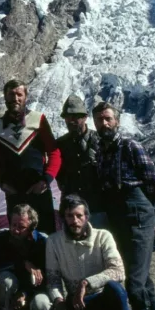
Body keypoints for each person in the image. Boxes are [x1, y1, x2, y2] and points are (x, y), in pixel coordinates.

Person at [93, 102, 155, 310]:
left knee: (134, 284)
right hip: (117, 218)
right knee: (143, 279)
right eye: (99, 120)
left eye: (107, 119)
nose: (103, 124)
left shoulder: (130, 146)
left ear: (117, 120)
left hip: (137, 214)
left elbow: (153, 182)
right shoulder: (101, 151)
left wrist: (142, 210)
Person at [29, 195, 133, 310]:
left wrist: (86, 283)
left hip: (103, 298)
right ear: (63, 218)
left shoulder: (103, 236)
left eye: (79, 216)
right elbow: (53, 279)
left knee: (116, 289)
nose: (74, 221)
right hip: (79, 304)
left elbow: (118, 271)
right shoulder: (54, 241)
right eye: (69, 216)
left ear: (87, 216)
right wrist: (58, 300)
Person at [0, 80, 61, 234]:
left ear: (25, 97)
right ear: (5, 97)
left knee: (46, 236)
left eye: (19, 94)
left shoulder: (38, 119)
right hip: (14, 195)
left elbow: (54, 152)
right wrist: (2, 182)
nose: (15, 98)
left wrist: (46, 180)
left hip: (39, 192)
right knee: (17, 238)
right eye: (11, 94)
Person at [0, 203, 47, 310]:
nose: (15, 230)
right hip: (11, 288)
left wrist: (25, 293)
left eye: (21, 227)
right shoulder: (2, 238)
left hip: (33, 291)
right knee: (5, 280)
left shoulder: (42, 242)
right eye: (13, 225)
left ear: (32, 227)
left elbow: (47, 277)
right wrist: (23, 263)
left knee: (42, 306)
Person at [55, 95, 103, 224]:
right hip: (70, 208)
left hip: (98, 206)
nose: (71, 120)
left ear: (85, 117)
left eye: (76, 117)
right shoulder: (60, 144)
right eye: (68, 117)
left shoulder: (100, 140)